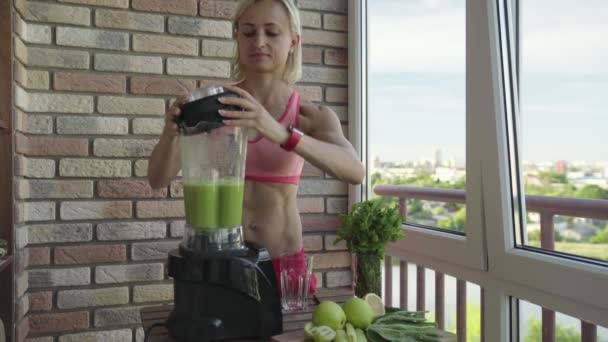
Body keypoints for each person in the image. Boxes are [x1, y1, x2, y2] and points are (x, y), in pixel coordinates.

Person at [148, 0, 365, 295]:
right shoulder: (215, 107)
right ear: (237, 36)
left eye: (272, 32)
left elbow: (355, 171)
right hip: (222, 262)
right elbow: (157, 179)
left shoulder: (309, 114)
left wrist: (278, 131)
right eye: (249, 33)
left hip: (282, 266)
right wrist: (170, 133)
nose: (259, 42)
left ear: (293, 41)